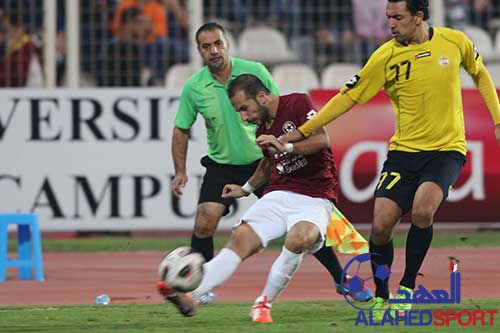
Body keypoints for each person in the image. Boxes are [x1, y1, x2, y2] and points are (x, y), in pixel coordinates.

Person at [279, 0, 500, 318]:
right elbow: (348, 96)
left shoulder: (455, 42)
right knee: (381, 227)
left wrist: (498, 120)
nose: (391, 24)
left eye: (398, 18)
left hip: (446, 150)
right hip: (403, 153)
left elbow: (480, 74)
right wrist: (302, 131)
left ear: (419, 16)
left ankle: (407, 287)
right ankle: (383, 294)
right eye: (388, 18)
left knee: (423, 211)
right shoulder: (385, 55)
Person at [170, 22, 372, 305]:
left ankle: (341, 278)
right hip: (224, 163)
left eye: (218, 43)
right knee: (205, 220)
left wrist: (285, 145)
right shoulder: (194, 87)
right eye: (206, 46)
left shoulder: (255, 72)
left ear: (227, 44)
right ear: (199, 51)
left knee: (303, 228)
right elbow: (181, 128)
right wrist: (181, 171)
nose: (213, 50)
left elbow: (278, 113)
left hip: (265, 159)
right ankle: (198, 287)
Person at [160, 73, 340, 322]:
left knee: (299, 239)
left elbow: (322, 139)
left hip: (314, 196)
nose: (244, 117)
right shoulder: (261, 129)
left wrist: (286, 145)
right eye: (239, 112)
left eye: (245, 108)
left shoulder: (298, 102)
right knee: (241, 239)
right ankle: (190, 291)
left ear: (263, 97)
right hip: (278, 193)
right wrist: (244, 189)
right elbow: (268, 164)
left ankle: (263, 303)